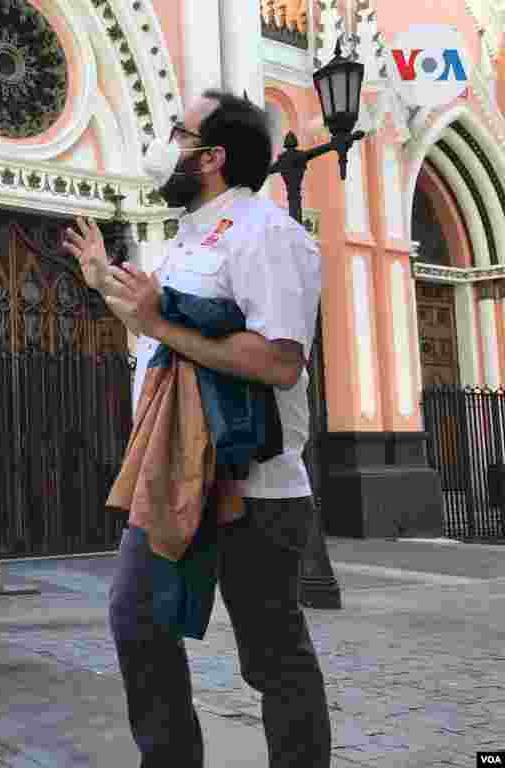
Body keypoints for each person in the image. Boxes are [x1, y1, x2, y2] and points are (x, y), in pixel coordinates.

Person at [62, 90, 331, 768]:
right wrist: (106, 285)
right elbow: (167, 334)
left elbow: (278, 360)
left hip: (256, 488)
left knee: (272, 657)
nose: (163, 145)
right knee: (136, 621)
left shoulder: (268, 234)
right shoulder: (186, 240)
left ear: (210, 157)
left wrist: (157, 322)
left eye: (174, 131)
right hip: (171, 472)